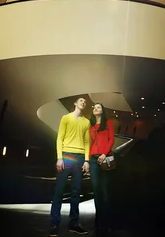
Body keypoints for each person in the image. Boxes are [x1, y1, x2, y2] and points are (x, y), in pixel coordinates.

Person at [50, 97, 90, 236]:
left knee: (75, 193)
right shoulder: (66, 118)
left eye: (85, 102)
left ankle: (74, 224)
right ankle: (54, 223)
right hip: (66, 156)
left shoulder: (86, 122)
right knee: (59, 192)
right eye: (80, 100)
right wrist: (59, 158)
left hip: (79, 158)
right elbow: (59, 137)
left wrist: (86, 160)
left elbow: (87, 142)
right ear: (75, 103)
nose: (83, 102)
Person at [89, 103, 115, 234]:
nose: (95, 108)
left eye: (98, 107)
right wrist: (87, 160)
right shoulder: (91, 126)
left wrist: (104, 154)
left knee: (105, 193)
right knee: (97, 193)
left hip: (105, 159)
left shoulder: (108, 123)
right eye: (94, 107)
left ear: (102, 110)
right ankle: (98, 222)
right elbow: (90, 144)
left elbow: (111, 140)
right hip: (93, 160)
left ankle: (108, 222)